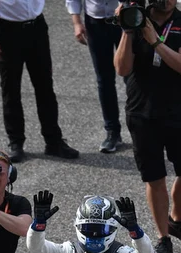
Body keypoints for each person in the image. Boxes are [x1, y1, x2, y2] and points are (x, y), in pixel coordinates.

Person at [114, 0, 181, 253]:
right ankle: (163, 237)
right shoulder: (135, 19)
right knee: (155, 178)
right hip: (141, 113)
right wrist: (127, 30)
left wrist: (155, 41)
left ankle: (177, 219)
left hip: (177, 110)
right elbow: (121, 68)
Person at [0, 0, 79, 163]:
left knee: (45, 87)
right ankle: (16, 143)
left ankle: (53, 141)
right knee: (11, 89)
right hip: (7, 30)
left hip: (37, 27)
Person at [66, 0, 123, 153]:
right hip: (95, 23)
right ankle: (112, 131)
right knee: (104, 79)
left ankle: (141, 129)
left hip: (124, 19)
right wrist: (77, 23)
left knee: (132, 76)